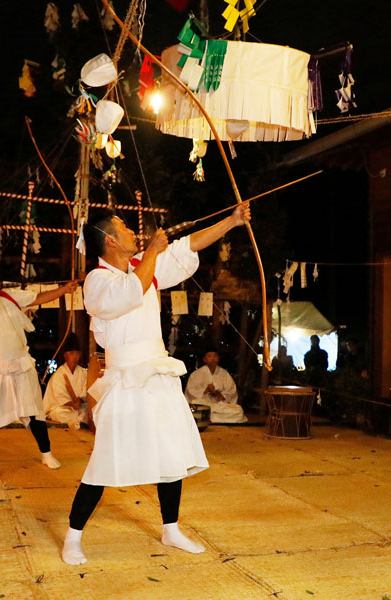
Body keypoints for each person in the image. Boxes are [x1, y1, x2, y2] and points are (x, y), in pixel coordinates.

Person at [61, 202, 251, 565]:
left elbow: (187, 248)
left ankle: (171, 528)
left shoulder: (140, 267)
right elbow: (130, 293)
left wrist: (231, 221)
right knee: (104, 460)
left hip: (157, 371)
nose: (134, 233)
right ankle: (73, 536)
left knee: (170, 452)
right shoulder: (97, 281)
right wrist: (150, 252)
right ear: (111, 242)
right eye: (125, 229)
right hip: (125, 376)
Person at [0, 260, 78, 469]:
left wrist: (64, 289)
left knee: (34, 410)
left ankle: (46, 453)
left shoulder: (6, 298)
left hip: (21, 364)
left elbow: (38, 298)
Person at [184, 349, 245, 423]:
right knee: (201, 407)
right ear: (204, 359)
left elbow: (231, 392)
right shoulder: (196, 374)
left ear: (218, 359)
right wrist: (206, 390)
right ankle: (211, 417)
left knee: (238, 410)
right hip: (204, 404)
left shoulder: (224, 374)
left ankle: (209, 418)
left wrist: (218, 394)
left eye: (215, 356)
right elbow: (190, 392)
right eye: (209, 356)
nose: (212, 359)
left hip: (219, 405)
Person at [43, 333, 89, 430]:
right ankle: (79, 421)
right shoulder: (59, 375)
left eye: (77, 354)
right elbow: (59, 397)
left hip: (79, 408)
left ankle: (79, 420)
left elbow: (86, 390)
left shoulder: (83, 373)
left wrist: (79, 401)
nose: (75, 357)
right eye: (72, 354)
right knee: (57, 413)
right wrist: (72, 404)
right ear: (65, 356)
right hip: (64, 408)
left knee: (87, 410)